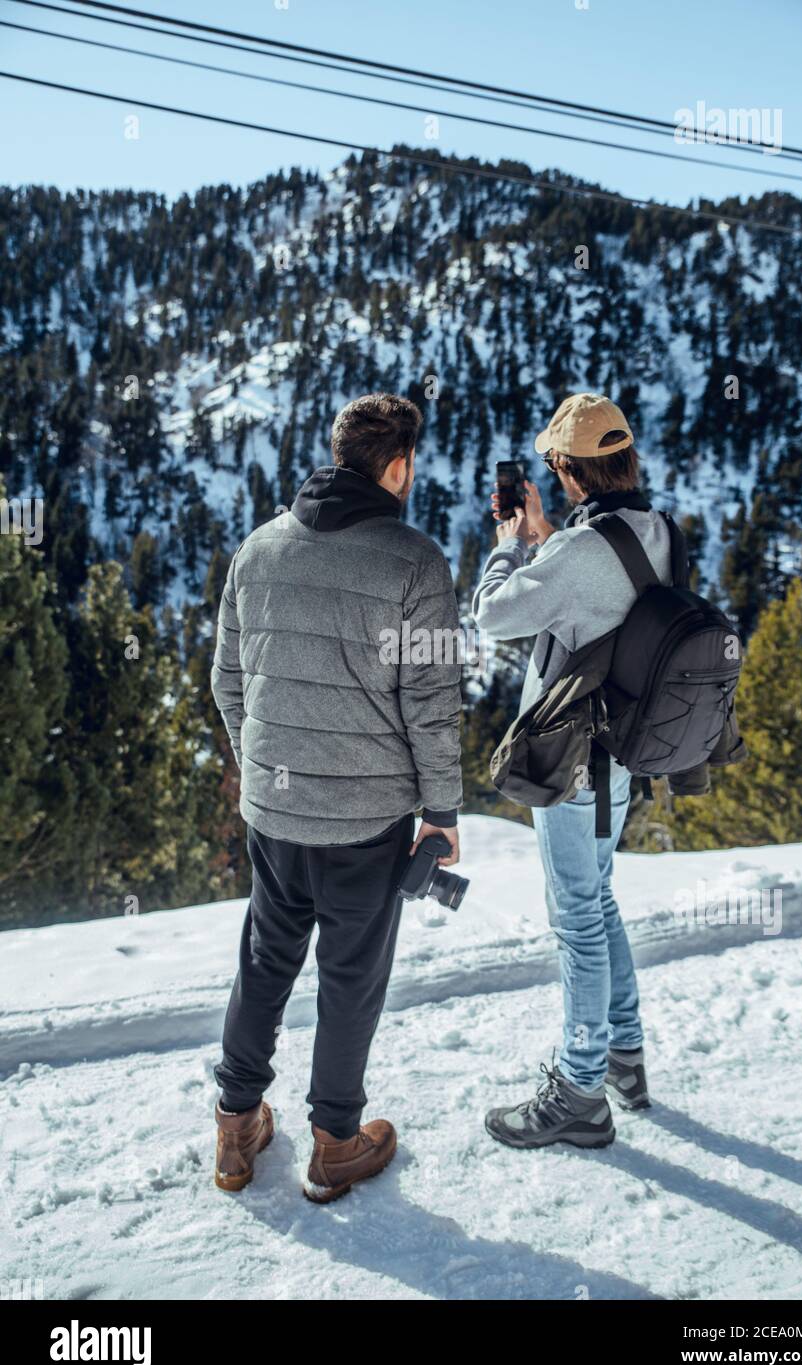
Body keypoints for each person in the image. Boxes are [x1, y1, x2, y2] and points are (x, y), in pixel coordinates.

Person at [211, 393, 462, 1201]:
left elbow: (227, 681)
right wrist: (443, 813)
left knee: (265, 957)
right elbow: (431, 702)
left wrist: (269, 760)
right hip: (366, 820)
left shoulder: (258, 548)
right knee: (350, 978)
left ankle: (236, 1127)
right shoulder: (414, 561)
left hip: (273, 813)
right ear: (398, 467)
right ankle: (335, 1143)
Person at [473, 393, 664, 1150]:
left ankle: (580, 1091)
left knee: (577, 920)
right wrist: (551, 540)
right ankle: (625, 1056)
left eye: (555, 466)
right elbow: (604, 589)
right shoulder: (652, 529)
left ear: (568, 469)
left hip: (571, 765)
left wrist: (510, 544)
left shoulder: (576, 553)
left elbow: (493, 614)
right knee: (600, 901)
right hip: (622, 761)